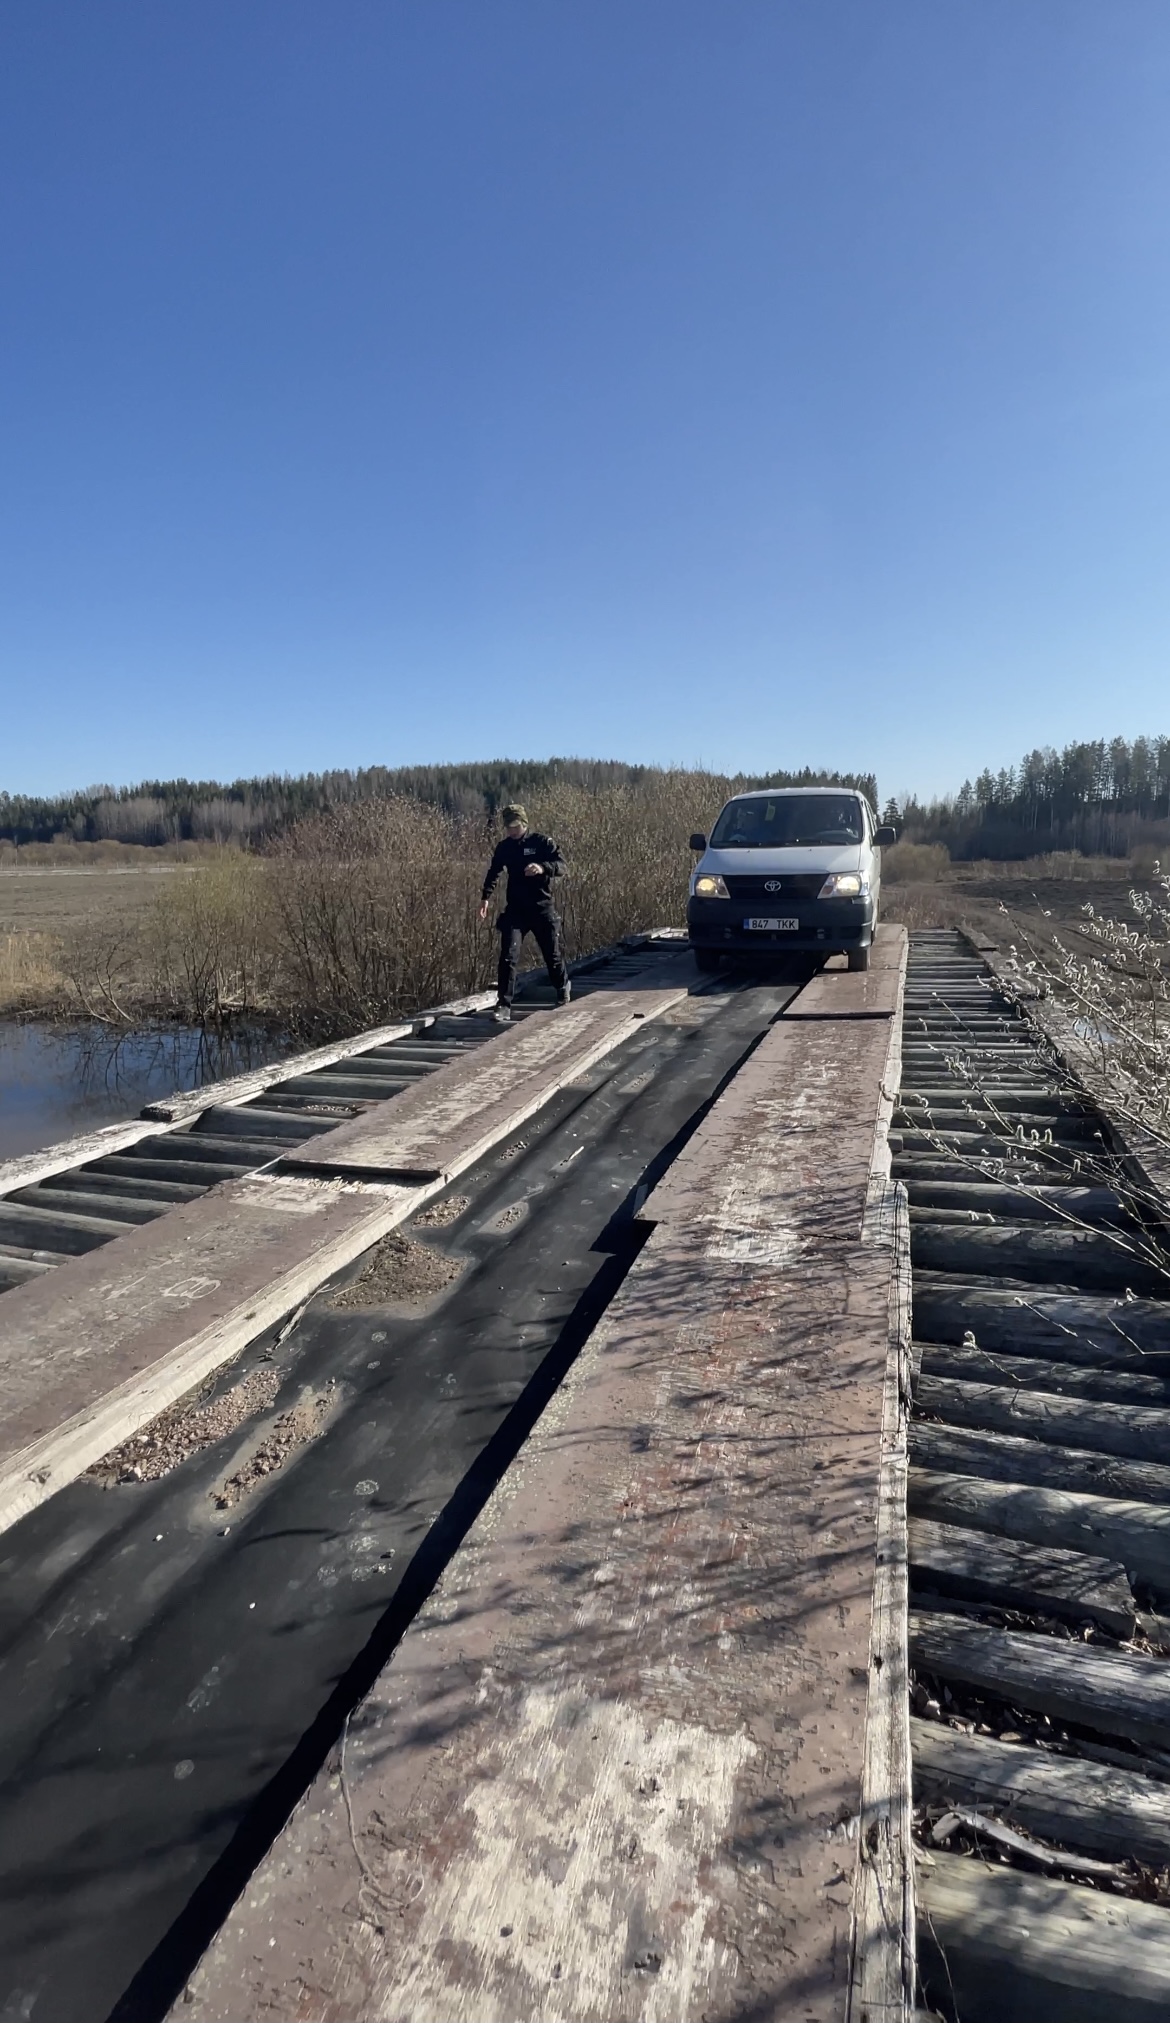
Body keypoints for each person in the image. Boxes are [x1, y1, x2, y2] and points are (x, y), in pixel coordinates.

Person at [478, 804, 570, 1022]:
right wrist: (485, 897)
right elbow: (494, 872)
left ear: (524, 824)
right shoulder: (504, 848)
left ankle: (562, 986)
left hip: (541, 907)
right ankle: (504, 1004)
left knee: (552, 954)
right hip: (516, 910)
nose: (512, 831)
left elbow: (562, 865)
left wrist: (542, 867)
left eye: (515, 826)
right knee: (509, 954)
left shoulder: (542, 843)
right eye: (508, 827)